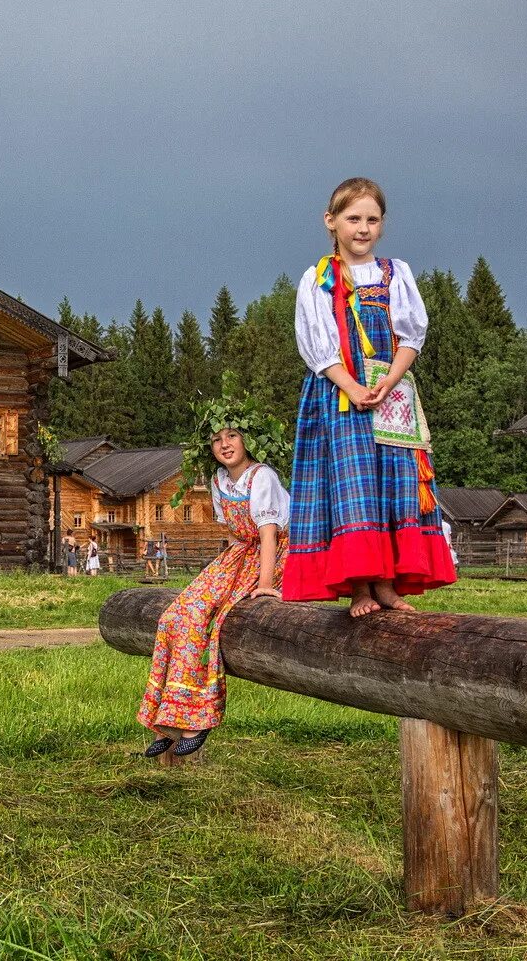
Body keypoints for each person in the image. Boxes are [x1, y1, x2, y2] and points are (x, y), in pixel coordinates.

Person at [283, 177, 456, 616]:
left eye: (372, 219)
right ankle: (359, 587)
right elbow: (315, 344)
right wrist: (353, 386)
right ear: (331, 221)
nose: (363, 228)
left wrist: (390, 381)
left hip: (389, 390)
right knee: (352, 485)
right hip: (340, 394)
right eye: (353, 218)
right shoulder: (318, 277)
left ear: (383, 224)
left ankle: (386, 583)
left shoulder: (395, 273)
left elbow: (412, 335)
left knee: (392, 482)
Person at [139, 412, 289, 759]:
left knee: (208, 620)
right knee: (175, 616)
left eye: (232, 435)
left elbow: (268, 533)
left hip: (276, 553)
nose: (224, 444)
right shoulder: (219, 479)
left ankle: (198, 719)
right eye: (217, 439)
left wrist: (264, 583)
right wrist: (221, 572)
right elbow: (237, 534)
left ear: (247, 440)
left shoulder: (261, 475)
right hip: (242, 553)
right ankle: (168, 720)